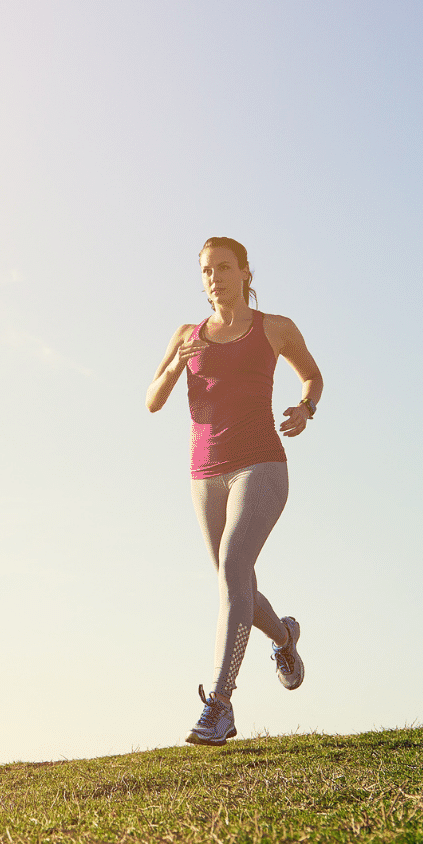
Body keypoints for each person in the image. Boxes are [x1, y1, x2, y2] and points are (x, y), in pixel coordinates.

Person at [145, 237, 324, 746]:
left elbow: (313, 376)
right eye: (206, 271)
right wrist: (178, 363)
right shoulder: (186, 334)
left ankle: (220, 705)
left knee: (232, 569)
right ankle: (284, 634)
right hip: (205, 474)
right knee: (233, 581)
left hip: (262, 463)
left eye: (224, 267)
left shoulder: (274, 328)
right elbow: (153, 400)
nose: (214, 278)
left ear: (246, 272)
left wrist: (305, 409)